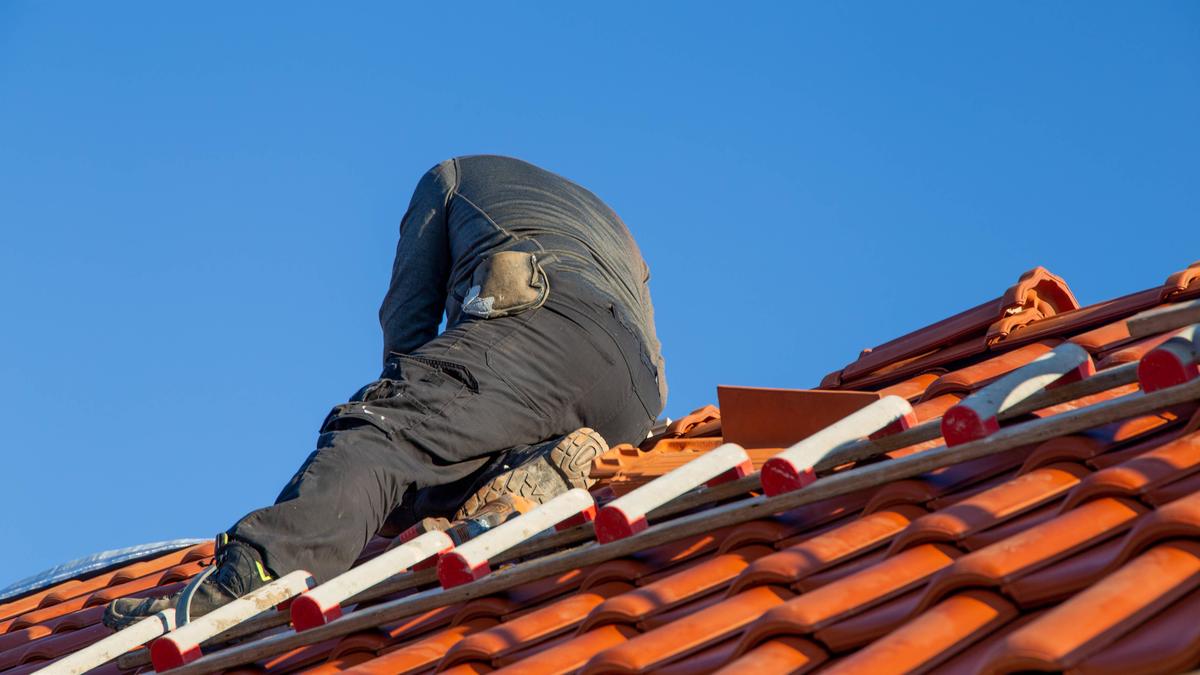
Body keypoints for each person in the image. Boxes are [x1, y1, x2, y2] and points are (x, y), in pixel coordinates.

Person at [104, 155, 667, 628]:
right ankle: (537, 469)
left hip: (543, 318)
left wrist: (398, 409)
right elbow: (656, 374)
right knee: (446, 444)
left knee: (386, 431)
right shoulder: (620, 235)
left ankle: (260, 571)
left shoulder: (450, 176)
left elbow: (408, 319)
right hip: (633, 398)